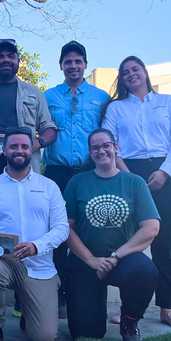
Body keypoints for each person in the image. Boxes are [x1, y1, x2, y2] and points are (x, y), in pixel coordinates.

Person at [0, 39, 57, 320]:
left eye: (11, 56)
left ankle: (22, 297)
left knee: (28, 230)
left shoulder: (33, 92)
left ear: (18, 61)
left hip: (25, 173)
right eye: (0, 56)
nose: (6, 60)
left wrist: (33, 144)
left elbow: (50, 128)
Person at [102, 56, 171, 329]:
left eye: (135, 69)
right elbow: (109, 141)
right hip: (129, 172)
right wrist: (127, 176)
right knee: (128, 244)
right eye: (125, 72)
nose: (131, 75)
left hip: (166, 173)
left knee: (165, 246)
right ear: (121, 78)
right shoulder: (115, 108)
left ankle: (167, 308)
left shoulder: (169, 103)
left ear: (145, 72)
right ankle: (131, 308)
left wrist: (165, 171)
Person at [0, 127, 69, 341]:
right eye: (13, 146)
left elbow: (62, 228)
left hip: (40, 267)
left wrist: (36, 246)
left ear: (32, 149)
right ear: (4, 150)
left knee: (43, 338)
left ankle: (29, 314)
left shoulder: (49, 187)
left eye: (24, 146)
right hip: (5, 262)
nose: (19, 150)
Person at [63, 129, 160, 341]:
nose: (101, 151)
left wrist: (116, 256)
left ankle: (129, 322)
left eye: (106, 145)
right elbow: (65, 228)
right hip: (84, 262)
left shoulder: (135, 183)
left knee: (144, 272)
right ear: (90, 152)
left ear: (116, 147)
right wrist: (91, 260)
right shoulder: (77, 183)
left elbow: (151, 227)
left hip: (123, 259)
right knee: (87, 334)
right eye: (95, 147)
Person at [41, 40, 109, 318]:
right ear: (61, 66)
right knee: (56, 234)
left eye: (78, 61)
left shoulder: (101, 97)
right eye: (67, 61)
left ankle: (82, 296)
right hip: (56, 173)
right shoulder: (47, 97)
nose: (73, 65)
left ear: (85, 65)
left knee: (85, 232)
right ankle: (55, 296)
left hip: (87, 173)